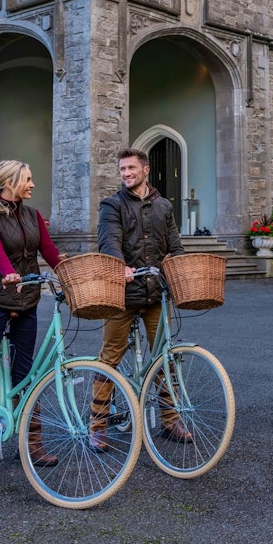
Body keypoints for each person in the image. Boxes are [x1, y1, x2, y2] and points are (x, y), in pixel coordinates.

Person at [0, 160, 63, 467]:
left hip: (27, 299)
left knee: (26, 371)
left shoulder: (32, 215)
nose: (33, 184)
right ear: (9, 183)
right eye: (28, 179)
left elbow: (48, 251)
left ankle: (32, 444)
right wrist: (9, 273)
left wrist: (69, 271)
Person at [91, 147, 189, 449]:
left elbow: (175, 246)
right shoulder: (112, 205)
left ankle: (170, 420)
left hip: (156, 294)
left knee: (164, 358)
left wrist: (182, 271)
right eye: (122, 169)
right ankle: (97, 424)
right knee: (109, 357)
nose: (126, 173)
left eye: (131, 168)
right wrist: (120, 267)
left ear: (145, 170)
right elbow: (109, 242)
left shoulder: (163, 206)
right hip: (122, 295)